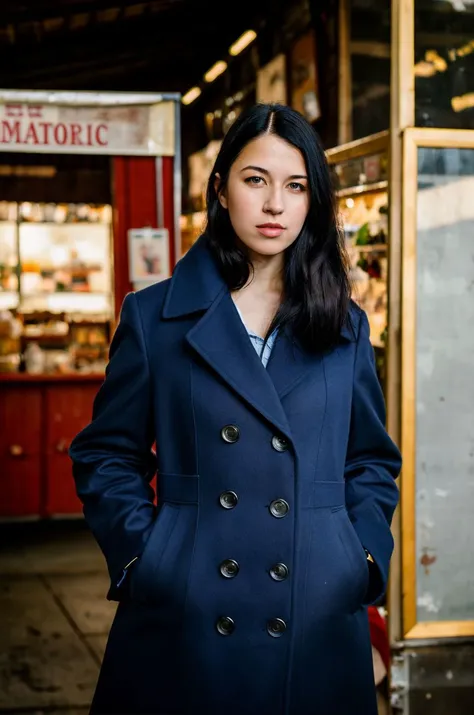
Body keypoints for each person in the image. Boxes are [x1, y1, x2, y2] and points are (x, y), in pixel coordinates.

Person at [69, 103, 401, 715]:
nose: (275, 205)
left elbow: (371, 462)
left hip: (315, 612)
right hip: (187, 615)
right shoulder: (155, 317)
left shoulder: (344, 326)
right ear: (220, 189)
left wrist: (358, 558)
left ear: (313, 201)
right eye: (256, 180)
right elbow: (105, 454)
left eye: (295, 186)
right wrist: (150, 558)